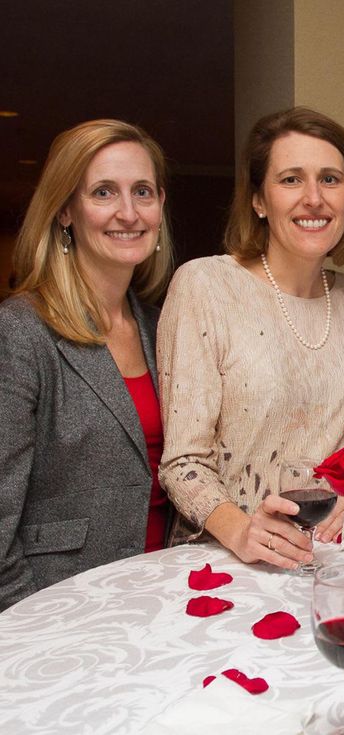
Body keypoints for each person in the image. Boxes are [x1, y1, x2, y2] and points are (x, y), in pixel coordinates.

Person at [158, 107, 344, 570]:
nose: (314, 198)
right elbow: (182, 462)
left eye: (331, 179)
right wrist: (242, 532)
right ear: (259, 200)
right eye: (291, 180)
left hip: (333, 560)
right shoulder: (204, 285)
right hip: (226, 560)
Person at [0, 119, 174, 610]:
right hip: (60, 609)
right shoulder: (19, 331)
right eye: (103, 192)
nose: (128, 212)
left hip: (164, 599)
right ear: (64, 212)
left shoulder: (165, 329)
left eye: (142, 191)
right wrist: (29, 629)